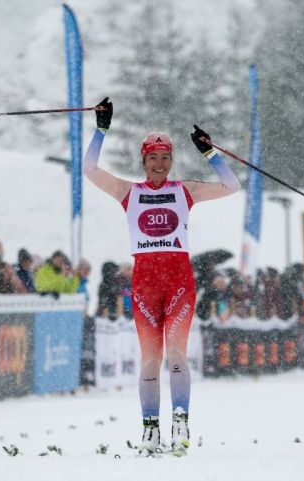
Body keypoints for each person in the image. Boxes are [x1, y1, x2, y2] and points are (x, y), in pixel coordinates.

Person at [82, 97, 240, 455]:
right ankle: (150, 430)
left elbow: (232, 187)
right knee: (150, 359)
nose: (159, 164)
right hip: (145, 284)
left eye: (165, 157)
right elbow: (90, 170)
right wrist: (101, 130)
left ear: (171, 160)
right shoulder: (128, 192)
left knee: (177, 355)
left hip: (180, 281)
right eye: (153, 157)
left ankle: (181, 421)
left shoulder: (185, 190)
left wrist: (211, 154)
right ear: (143, 160)